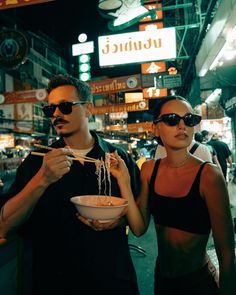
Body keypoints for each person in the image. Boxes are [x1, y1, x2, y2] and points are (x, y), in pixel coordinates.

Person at [0, 74, 140, 295]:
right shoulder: (38, 160)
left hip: (112, 278)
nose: (56, 114)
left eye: (65, 106)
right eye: (50, 109)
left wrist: (117, 220)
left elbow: (139, 214)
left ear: (88, 109)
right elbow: (5, 224)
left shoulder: (117, 158)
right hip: (55, 282)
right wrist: (42, 179)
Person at [110, 95, 236, 294]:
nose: (181, 126)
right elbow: (139, 227)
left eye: (189, 119)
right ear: (156, 128)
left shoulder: (209, 175)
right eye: (171, 119)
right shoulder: (150, 169)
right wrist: (123, 181)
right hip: (162, 281)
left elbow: (226, 249)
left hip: (198, 283)